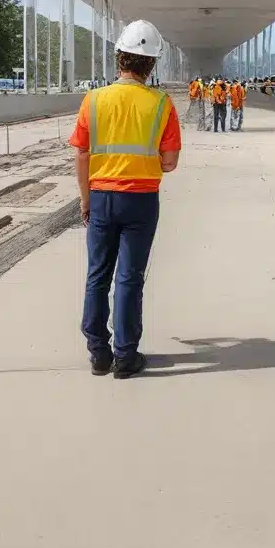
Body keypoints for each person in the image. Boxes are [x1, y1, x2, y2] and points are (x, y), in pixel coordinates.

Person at [68, 19, 181, 378]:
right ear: (151, 63)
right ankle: (125, 356)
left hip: (101, 197)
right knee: (129, 278)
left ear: (120, 57)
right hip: (142, 201)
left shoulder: (94, 100)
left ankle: (98, 352)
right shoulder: (162, 104)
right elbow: (170, 162)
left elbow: (82, 155)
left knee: (97, 275)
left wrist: (86, 200)